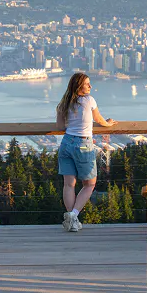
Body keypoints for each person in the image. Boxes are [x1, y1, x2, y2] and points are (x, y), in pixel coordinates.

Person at [55, 72, 116, 232]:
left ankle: (71, 221)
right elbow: (99, 119)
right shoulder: (89, 100)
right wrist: (108, 124)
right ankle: (74, 215)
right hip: (83, 144)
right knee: (90, 184)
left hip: (66, 143)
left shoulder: (63, 103)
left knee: (69, 184)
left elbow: (60, 127)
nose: (90, 86)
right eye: (87, 83)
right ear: (79, 86)